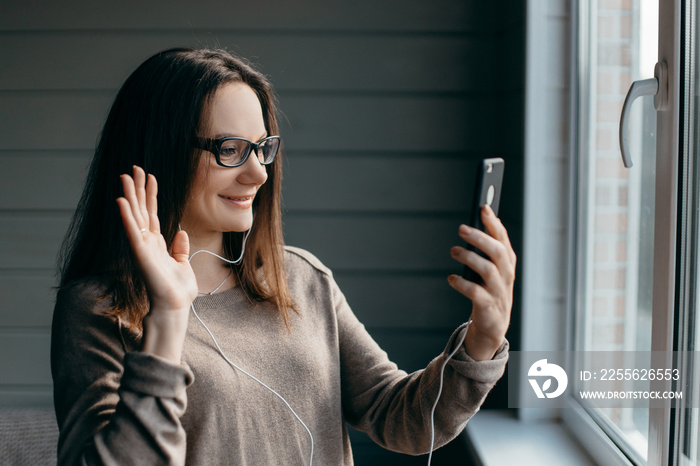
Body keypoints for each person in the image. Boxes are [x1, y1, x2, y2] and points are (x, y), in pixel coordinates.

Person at [51, 47, 516, 465]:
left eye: (262, 148)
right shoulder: (96, 309)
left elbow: (401, 417)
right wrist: (169, 318)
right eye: (229, 150)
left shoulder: (301, 277)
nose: (257, 173)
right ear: (160, 152)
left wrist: (482, 339)